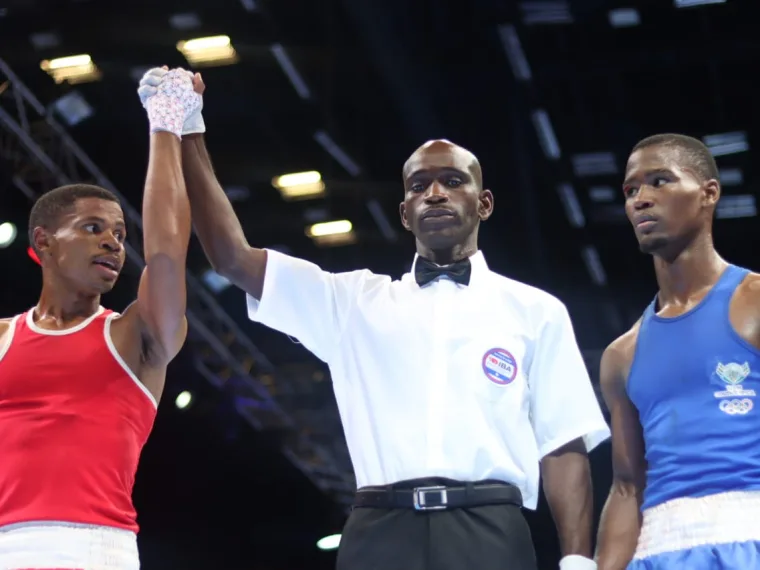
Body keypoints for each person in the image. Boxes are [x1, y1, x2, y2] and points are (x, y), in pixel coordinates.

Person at [138, 68, 609, 570]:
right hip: (379, 531)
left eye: (453, 181)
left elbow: (563, 445)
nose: (435, 193)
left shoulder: (536, 310)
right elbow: (233, 258)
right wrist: (190, 128)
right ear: (405, 212)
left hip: (491, 530)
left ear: (484, 203)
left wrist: (578, 561)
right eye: (419, 185)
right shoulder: (352, 301)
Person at [0, 69, 202, 569]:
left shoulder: (135, 336)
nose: (113, 242)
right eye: (93, 228)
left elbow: (167, 254)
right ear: (44, 241)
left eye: (119, 234)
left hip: (95, 550)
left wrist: (166, 124)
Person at [595, 133, 760, 570]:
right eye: (631, 190)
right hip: (658, 552)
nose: (641, 199)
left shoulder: (756, 303)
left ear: (709, 193)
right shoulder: (621, 355)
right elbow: (627, 487)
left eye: (660, 181)